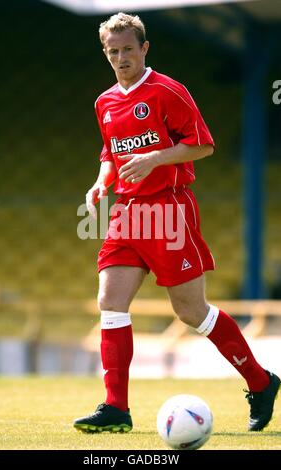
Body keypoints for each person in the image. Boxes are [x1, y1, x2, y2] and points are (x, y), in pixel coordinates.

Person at [74, 12, 280, 434]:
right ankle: (116, 407)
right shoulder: (104, 101)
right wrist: (100, 184)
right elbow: (110, 153)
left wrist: (155, 157)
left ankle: (261, 382)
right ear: (105, 54)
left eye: (128, 49)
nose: (121, 58)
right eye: (113, 52)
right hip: (127, 215)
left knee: (191, 312)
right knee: (110, 304)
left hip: (169, 211)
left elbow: (202, 145)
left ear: (144, 48)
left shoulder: (169, 91)